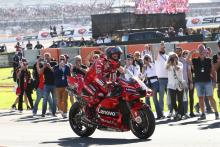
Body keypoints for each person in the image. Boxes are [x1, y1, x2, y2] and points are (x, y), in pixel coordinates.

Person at [82, 46, 124, 119]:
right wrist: (105, 85)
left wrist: (115, 83)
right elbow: (97, 77)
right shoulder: (100, 62)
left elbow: (113, 76)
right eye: (114, 55)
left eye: (118, 55)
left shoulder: (114, 63)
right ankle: (87, 110)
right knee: (98, 95)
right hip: (89, 81)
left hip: (100, 82)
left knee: (113, 93)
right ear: (109, 56)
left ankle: (106, 112)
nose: (116, 57)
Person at [188, 45, 219, 120]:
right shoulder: (195, 60)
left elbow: (213, 71)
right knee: (201, 98)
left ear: (205, 51)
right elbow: (187, 60)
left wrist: (215, 81)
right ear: (198, 51)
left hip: (207, 81)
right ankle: (203, 114)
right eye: (200, 50)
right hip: (198, 82)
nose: (201, 52)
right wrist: (191, 53)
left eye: (203, 50)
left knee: (210, 97)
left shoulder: (209, 60)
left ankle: (216, 113)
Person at [142, 54, 164, 119]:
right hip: (147, 83)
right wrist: (143, 70)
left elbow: (154, 71)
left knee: (154, 98)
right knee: (147, 98)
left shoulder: (153, 64)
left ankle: (159, 114)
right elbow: (143, 76)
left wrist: (148, 65)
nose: (147, 60)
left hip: (154, 82)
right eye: (145, 59)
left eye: (148, 58)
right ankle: (149, 115)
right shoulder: (144, 67)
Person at [155, 41, 172, 118]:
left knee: (169, 96)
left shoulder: (168, 56)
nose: (163, 48)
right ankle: (161, 112)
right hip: (161, 79)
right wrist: (160, 45)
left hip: (168, 78)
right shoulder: (157, 55)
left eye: (164, 47)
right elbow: (156, 53)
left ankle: (170, 111)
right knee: (161, 96)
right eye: (162, 47)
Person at [166, 52, 184, 121]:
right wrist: (170, 63)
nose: (174, 59)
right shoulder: (168, 64)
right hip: (171, 85)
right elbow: (166, 68)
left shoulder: (180, 64)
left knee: (180, 100)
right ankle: (176, 111)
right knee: (173, 101)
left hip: (179, 84)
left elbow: (178, 69)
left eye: (175, 57)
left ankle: (179, 114)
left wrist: (174, 64)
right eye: (173, 57)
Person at [38, 53, 57, 117]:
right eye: (45, 57)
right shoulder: (43, 64)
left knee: (54, 100)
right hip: (46, 84)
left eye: (47, 56)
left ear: (50, 57)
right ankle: (43, 113)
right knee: (45, 99)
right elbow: (40, 72)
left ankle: (54, 113)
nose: (46, 58)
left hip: (54, 84)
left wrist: (50, 67)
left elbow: (56, 72)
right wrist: (44, 67)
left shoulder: (54, 63)